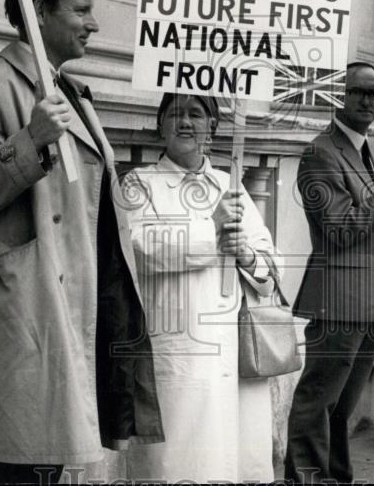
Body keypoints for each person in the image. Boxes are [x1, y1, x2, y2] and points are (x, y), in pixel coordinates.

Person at [0, 0, 163, 484]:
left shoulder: (72, 92)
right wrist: (29, 140)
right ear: (39, 11)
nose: (94, 22)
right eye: (81, 9)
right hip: (29, 299)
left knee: (44, 451)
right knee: (15, 453)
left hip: (83, 291)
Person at [122, 93, 278, 482]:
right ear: (160, 125)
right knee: (180, 462)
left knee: (237, 461)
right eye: (175, 114)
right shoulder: (139, 183)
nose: (186, 122)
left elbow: (270, 266)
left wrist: (246, 255)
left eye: (196, 114)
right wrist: (214, 233)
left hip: (236, 355)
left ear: (214, 126)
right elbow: (141, 249)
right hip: (177, 347)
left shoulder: (232, 186)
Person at [285, 62, 374, 483]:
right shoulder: (320, 152)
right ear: (338, 96)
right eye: (358, 92)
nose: (368, 101)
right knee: (317, 403)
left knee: (343, 407)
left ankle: (337, 476)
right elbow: (340, 227)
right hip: (339, 298)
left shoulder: (371, 148)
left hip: (372, 299)